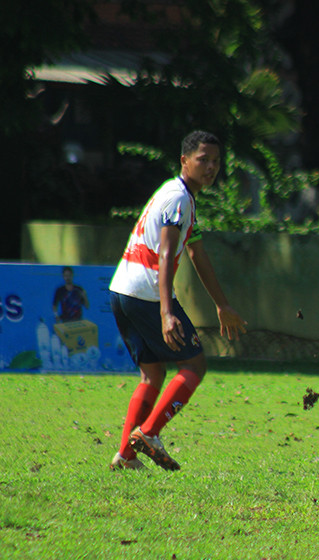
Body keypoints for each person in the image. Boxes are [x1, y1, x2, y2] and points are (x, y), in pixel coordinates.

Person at [108, 130, 246, 471]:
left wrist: (222, 304)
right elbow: (167, 254)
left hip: (122, 290)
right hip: (147, 294)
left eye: (216, 161)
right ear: (184, 160)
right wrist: (167, 312)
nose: (211, 167)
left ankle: (125, 456)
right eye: (203, 160)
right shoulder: (179, 199)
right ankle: (150, 433)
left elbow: (197, 253)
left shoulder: (177, 195)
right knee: (194, 365)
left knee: (152, 375)